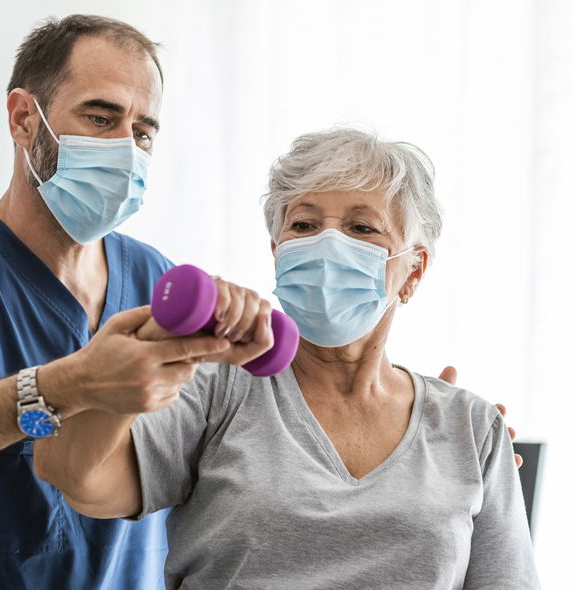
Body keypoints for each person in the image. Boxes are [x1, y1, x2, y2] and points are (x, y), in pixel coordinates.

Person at [0, 15, 273, 590]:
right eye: (100, 117)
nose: (126, 148)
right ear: (23, 119)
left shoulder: (155, 280)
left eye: (143, 132)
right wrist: (64, 385)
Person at [35, 129, 540, 589]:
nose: (327, 244)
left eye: (363, 228)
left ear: (413, 271)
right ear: (277, 250)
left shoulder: (471, 426)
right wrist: (145, 354)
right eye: (304, 223)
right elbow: (77, 477)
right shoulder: (217, 386)